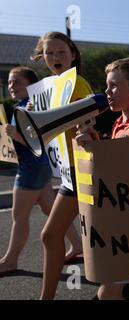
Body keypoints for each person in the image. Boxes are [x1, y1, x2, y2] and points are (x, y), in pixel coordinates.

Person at [76, 57, 129, 300]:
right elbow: (117, 164)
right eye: (106, 86)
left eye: (114, 85)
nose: (107, 92)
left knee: (107, 293)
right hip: (125, 216)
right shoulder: (119, 123)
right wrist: (95, 144)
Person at [0, 67, 82, 276]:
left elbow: (36, 142)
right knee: (49, 209)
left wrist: (14, 135)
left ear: (31, 85)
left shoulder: (30, 107)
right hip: (38, 167)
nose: (12, 86)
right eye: (10, 82)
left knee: (19, 216)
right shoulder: (23, 106)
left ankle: (10, 261)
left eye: (17, 81)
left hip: (31, 168)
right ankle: (78, 245)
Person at [29, 31, 93, 299]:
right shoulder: (46, 89)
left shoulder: (77, 84)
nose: (55, 57)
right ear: (42, 57)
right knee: (57, 236)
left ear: (73, 55)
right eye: (50, 53)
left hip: (85, 171)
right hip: (68, 174)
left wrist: (84, 128)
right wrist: (33, 115)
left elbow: (89, 122)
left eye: (61, 52)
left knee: (57, 236)